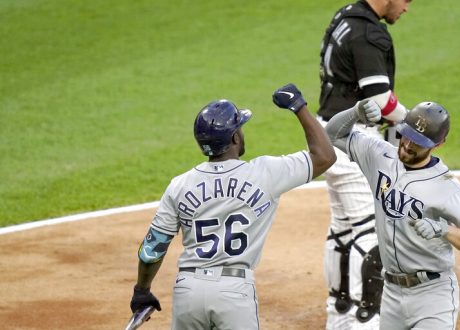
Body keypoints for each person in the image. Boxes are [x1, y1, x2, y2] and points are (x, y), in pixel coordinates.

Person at [128, 83, 336, 329]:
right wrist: (299, 107)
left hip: (188, 290)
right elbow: (325, 156)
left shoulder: (179, 185)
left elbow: (153, 248)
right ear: (235, 137)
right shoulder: (265, 173)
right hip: (233, 292)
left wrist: (142, 290)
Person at [325, 99, 460, 330]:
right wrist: (355, 112)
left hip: (432, 296)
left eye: (419, 142)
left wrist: (444, 230)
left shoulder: (447, 187)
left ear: (438, 143)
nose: (408, 145)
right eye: (407, 135)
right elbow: (332, 134)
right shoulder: (379, 156)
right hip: (391, 293)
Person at [317, 0, 412, 328]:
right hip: (353, 141)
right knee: (369, 234)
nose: (407, 7)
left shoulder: (346, 15)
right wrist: (412, 123)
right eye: (407, 0)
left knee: (344, 229)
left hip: (330, 135)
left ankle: (340, 313)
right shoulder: (368, 32)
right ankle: (365, 320)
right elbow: (379, 99)